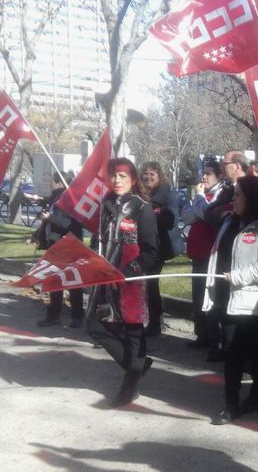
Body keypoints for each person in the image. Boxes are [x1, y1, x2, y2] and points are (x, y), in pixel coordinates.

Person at [203, 176, 258, 425]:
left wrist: (237, 277)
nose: (233, 199)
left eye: (238, 194)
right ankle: (231, 404)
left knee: (255, 352)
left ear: (251, 197)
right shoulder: (229, 221)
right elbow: (209, 218)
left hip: (252, 303)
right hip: (226, 297)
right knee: (232, 352)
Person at [87, 159, 159, 408]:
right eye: (113, 176)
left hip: (131, 280)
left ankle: (130, 385)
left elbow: (151, 251)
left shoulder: (142, 208)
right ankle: (137, 367)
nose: (116, 180)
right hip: (105, 276)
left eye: (122, 176)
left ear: (133, 179)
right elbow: (99, 239)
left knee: (133, 332)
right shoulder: (106, 205)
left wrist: (130, 272)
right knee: (93, 326)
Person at [181, 160, 226, 360]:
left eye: (209, 174)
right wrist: (198, 204)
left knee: (211, 298)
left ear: (219, 176)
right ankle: (202, 334)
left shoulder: (220, 194)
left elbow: (206, 214)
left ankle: (216, 341)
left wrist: (199, 200)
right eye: (203, 174)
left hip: (211, 253)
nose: (204, 178)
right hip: (197, 251)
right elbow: (187, 216)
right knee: (197, 295)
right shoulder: (202, 195)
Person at [32, 173, 85, 328]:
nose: (50, 185)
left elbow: (72, 225)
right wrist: (36, 235)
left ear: (59, 183)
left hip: (68, 245)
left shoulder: (71, 199)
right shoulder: (54, 198)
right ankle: (53, 314)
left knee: (73, 282)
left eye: (53, 182)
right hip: (54, 244)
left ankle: (77, 316)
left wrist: (51, 218)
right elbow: (47, 222)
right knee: (54, 281)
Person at [140, 161, 183, 337]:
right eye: (145, 174)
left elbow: (169, 221)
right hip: (144, 245)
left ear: (159, 176)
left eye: (152, 174)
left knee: (151, 284)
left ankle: (156, 323)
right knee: (144, 284)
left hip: (160, 246)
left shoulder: (166, 194)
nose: (148, 177)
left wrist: (145, 219)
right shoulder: (141, 193)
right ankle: (148, 319)